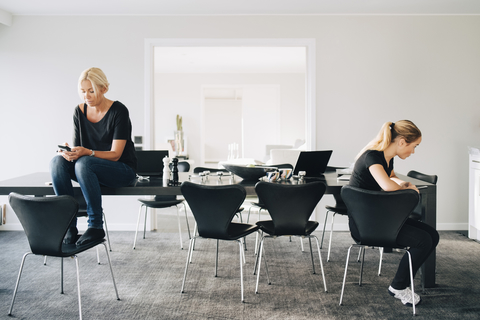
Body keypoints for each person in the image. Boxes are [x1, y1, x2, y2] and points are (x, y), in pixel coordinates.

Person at [348, 120, 439, 307]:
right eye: (414, 147)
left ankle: (402, 283)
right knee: (423, 241)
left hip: (379, 219)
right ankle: (399, 286)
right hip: (366, 225)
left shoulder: (386, 157)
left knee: (432, 235)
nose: (413, 152)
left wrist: (403, 184)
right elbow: (387, 186)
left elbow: (392, 177)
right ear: (402, 142)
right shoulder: (372, 157)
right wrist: (409, 189)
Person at [50, 67, 137, 246]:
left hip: (121, 170)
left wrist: (87, 153)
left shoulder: (119, 111)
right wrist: (69, 152)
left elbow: (116, 154)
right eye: (82, 91)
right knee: (56, 162)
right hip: (88, 168)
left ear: (104, 89)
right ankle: (68, 226)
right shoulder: (79, 111)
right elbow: (78, 151)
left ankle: (95, 226)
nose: (86, 96)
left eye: (91, 91)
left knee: (84, 163)